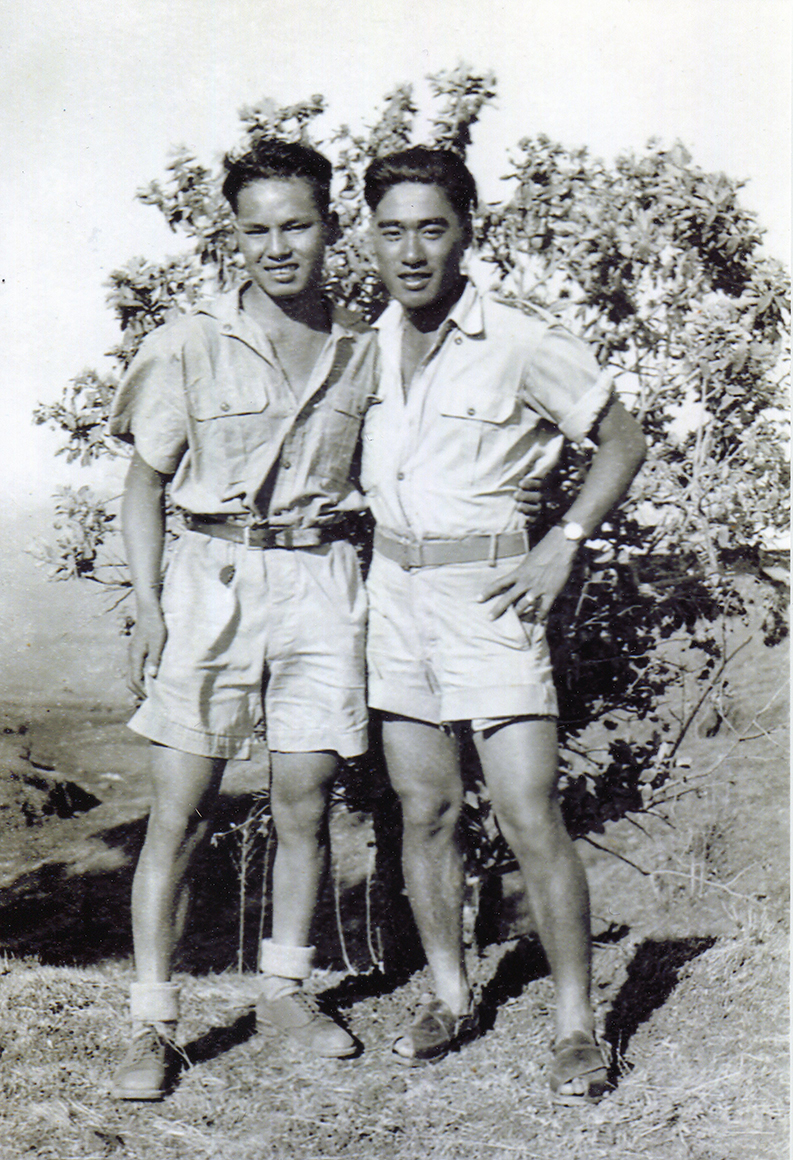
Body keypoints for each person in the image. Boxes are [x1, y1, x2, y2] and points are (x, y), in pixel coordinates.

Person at [360, 146, 646, 1103]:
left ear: (466, 233)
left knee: (528, 812)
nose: (411, 253)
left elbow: (621, 441)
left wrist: (564, 538)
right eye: (391, 232)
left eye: (431, 230)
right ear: (370, 239)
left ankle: (575, 1025)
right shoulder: (363, 346)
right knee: (426, 810)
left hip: (490, 598)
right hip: (393, 595)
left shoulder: (520, 340)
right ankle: (449, 996)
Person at [107, 137, 380, 1100]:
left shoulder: (365, 348)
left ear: (330, 228)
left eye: (296, 226)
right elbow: (144, 482)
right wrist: (148, 603)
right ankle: (153, 1024)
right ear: (233, 238)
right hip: (210, 582)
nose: (277, 247)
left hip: (322, 578)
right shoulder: (187, 341)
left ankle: (285, 991)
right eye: (256, 230)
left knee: (304, 799)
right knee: (179, 813)